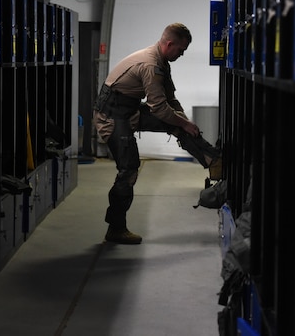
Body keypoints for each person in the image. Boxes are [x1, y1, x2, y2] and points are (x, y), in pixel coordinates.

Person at [93, 23, 221, 244]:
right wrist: (184, 123)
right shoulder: (150, 64)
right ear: (169, 44)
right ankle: (116, 228)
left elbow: (170, 99)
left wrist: (184, 122)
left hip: (129, 109)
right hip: (111, 117)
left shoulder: (162, 61)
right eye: (181, 50)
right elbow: (159, 109)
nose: (181, 54)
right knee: (129, 169)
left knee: (178, 124)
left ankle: (215, 162)